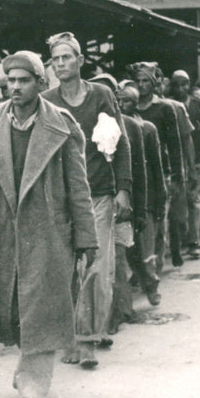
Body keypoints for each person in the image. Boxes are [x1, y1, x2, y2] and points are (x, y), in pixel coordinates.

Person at [0, 52, 97, 398]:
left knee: (41, 309)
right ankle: (26, 370)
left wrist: (86, 236)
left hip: (48, 232)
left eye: (25, 80)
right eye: (11, 80)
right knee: (11, 306)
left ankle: (33, 389)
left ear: (41, 84)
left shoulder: (62, 125)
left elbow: (78, 186)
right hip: (3, 229)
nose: (16, 87)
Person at [42, 32, 132, 369]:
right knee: (66, 268)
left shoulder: (101, 95)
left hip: (98, 194)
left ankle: (89, 339)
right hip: (60, 199)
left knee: (96, 265)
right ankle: (71, 334)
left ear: (80, 60)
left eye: (68, 57)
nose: (61, 64)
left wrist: (123, 187)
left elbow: (120, 143)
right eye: (56, 59)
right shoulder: (47, 100)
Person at [90, 74, 148, 324]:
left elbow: (141, 173)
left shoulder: (132, 127)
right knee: (98, 261)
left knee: (119, 258)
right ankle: (101, 316)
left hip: (123, 206)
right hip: (97, 202)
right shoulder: (88, 126)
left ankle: (122, 311)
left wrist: (140, 210)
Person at [130, 62, 184, 268]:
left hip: (159, 172)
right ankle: (140, 266)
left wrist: (178, 175)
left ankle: (156, 263)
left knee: (159, 219)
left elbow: (175, 144)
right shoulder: (129, 106)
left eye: (145, 81)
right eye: (138, 81)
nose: (141, 85)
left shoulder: (164, 108)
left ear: (153, 84)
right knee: (139, 221)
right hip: (136, 172)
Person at [117, 80, 165, 301]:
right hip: (122, 195)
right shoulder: (112, 127)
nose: (120, 104)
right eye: (117, 100)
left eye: (125, 100)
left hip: (145, 195)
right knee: (125, 248)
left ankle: (152, 286)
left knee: (145, 246)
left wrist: (159, 197)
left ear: (135, 103)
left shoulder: (146, 129)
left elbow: (156, 166)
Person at [168, 70, 200, 254]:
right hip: (178, 160)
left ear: (189, 84)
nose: (180, 88)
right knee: (179, 201)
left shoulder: (197, 104)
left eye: (184, 84)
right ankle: (181, 239)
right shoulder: (169, 104)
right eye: (176, 84)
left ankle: (194, 241)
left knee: (194, 200)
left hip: (197, 159)